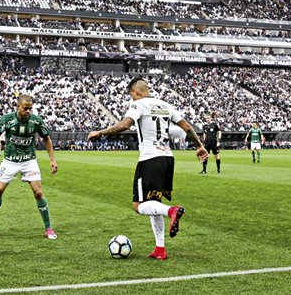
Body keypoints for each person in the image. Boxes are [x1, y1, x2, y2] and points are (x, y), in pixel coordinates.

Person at [87, 76, 208, 261]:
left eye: (131, 96)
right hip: (168, 159)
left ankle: (171, 211)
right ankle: (160, 249)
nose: (132, 100)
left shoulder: (139, 104)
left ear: (137, 91)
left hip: (150, 159)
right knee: (154, 204)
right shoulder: (165, 105)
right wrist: (199, 146)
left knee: (139, 206)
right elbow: (187, 127)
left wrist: (100, 132)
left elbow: (125, 124)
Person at [0, 95, 58, 240]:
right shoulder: (7, 119)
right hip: (10, 161)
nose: (28, 111)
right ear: (18, 107)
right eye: (25, 108)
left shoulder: (36, 121)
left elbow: (47, 139)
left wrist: (52, 160)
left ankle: (48, 227)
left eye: (30, 108)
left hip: (29, 160)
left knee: (39, 193)